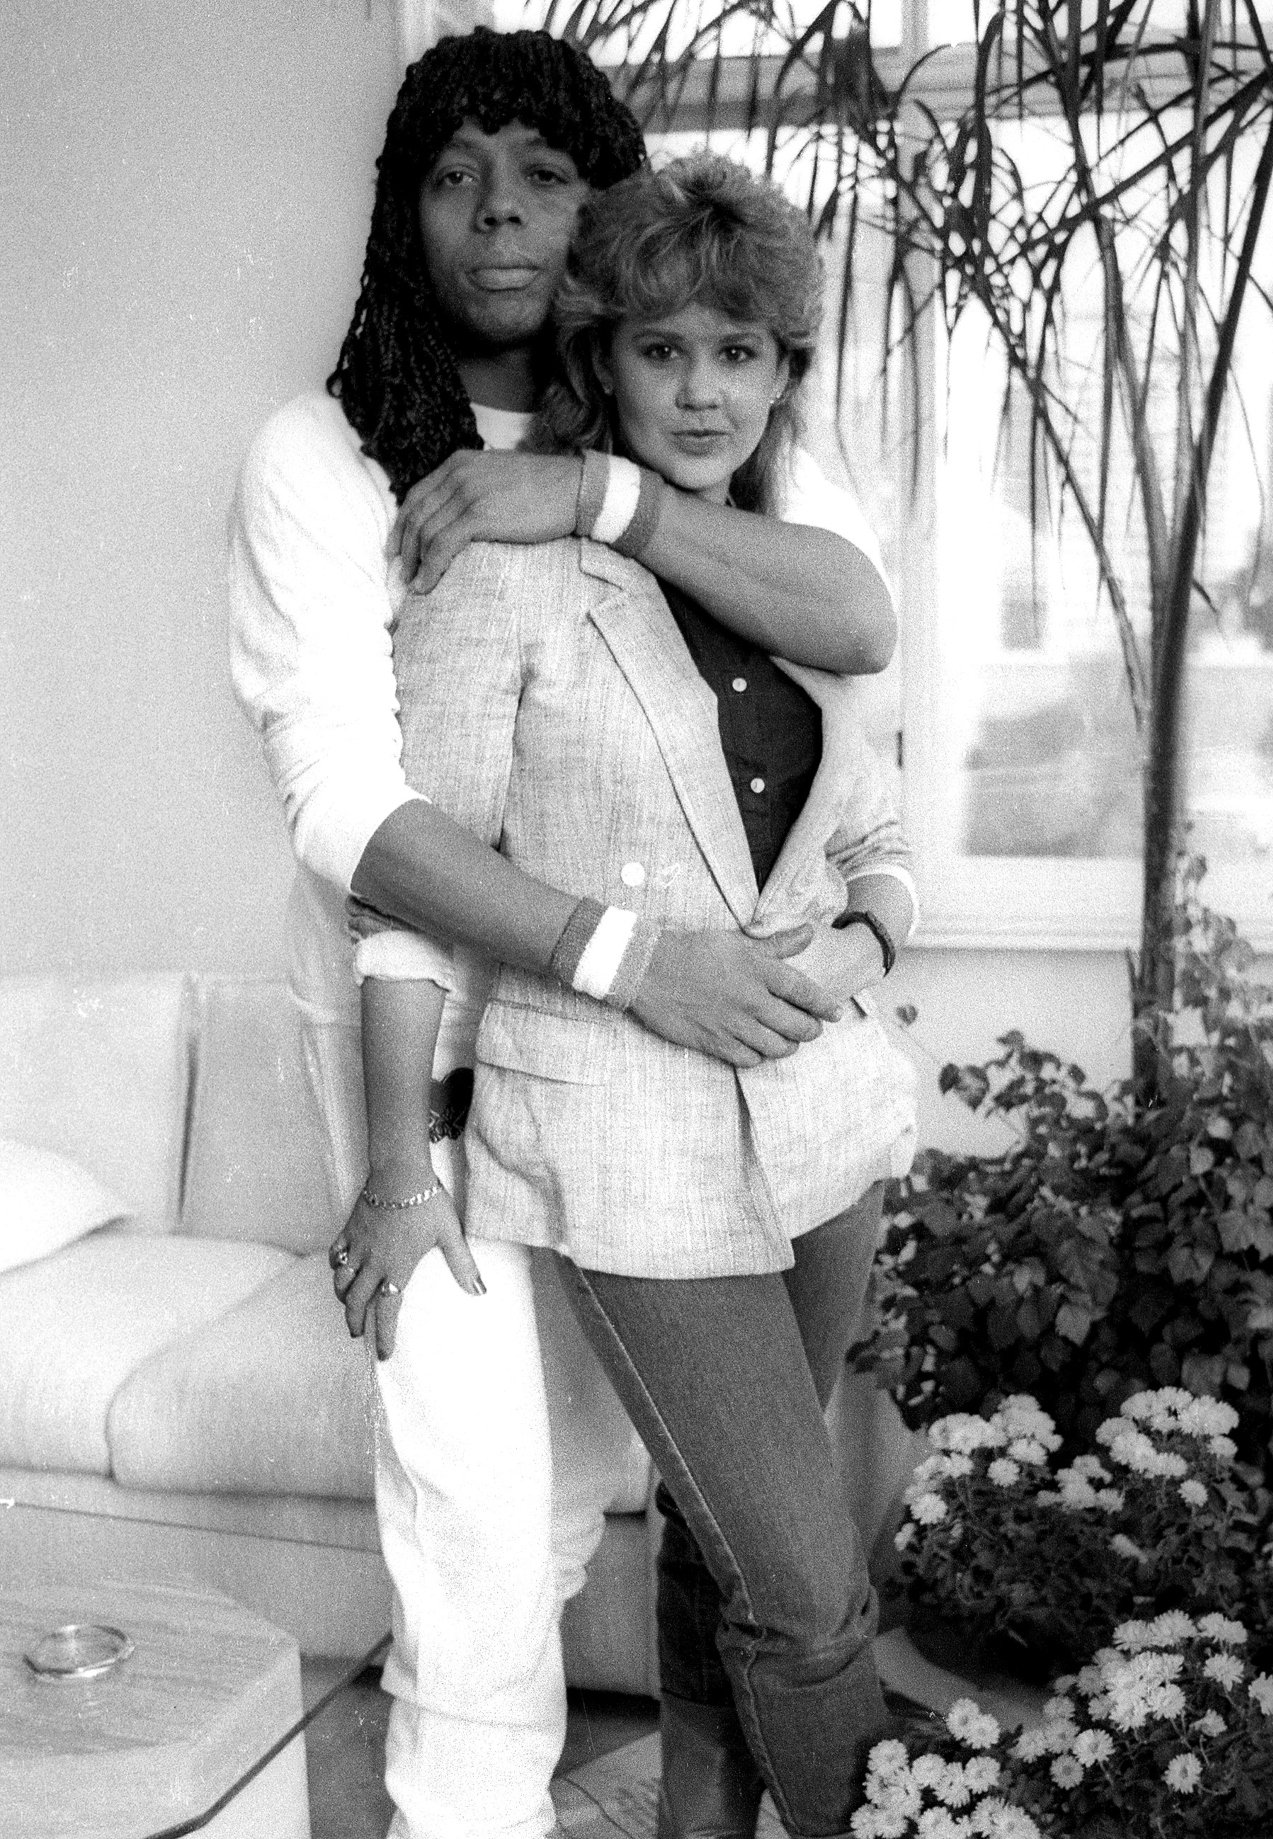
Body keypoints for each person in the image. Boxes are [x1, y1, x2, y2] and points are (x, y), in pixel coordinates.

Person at [228, 28, 901, 1839]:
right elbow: (363, 824)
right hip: (432, 1060)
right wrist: (410, 1142)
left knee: (668, 1500)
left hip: (691, 1092)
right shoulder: (332, 458)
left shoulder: (692, 442)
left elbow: (854, 633)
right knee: (481, 1513)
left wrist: (610, 492)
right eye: (458, 176)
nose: (503, 214)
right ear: (405, 212)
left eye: (541, 171)